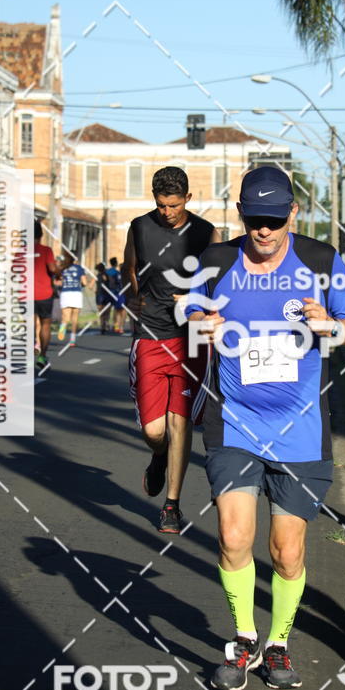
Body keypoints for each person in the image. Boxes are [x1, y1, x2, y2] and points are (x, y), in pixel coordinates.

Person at [184, 166, 345, 690]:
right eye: (254, 219)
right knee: (234, 535)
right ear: (240, 214)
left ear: (292, 211)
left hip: (301, 430)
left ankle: (278, 644)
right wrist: (202, 324)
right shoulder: (217, 262)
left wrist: (331, 326)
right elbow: (189, 311)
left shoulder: (321, 261)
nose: (263, 230)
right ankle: (242, 641)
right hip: (233, 422)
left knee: (287, 551)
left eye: (273, 218)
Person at [123, 166, 220, 534]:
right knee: (153, 429)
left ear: (188, 199)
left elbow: (218, 278)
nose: (167, 212)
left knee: (179, 421)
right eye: (162, 205)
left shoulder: (205, 233)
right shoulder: (139, 226)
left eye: (174, 205)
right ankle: (158, 455)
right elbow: (129, 268)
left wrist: (197, 297)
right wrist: (133, 296)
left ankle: (172, 505)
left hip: (188, 338)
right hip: (149, 335)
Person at [34, 220, 66, 368]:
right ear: (41, 235)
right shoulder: (46, 250)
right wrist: (59, 273)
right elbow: (53, 268)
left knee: (29, 324)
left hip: (25, 294)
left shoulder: (21, 251)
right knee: (45, 325)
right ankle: (42, 357)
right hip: (44, 294)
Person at [56, 251, 87, 346]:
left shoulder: (62, 268)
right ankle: (72, 340)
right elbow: (84, 282)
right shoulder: (79, 268)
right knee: (75, 318)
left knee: (65, 316)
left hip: (65, 293)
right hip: (76, 293)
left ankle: (63, 326)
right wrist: (80, 284)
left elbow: (58, 282)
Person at [106, 256, 126, 333]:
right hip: (118, 293)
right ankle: (120, 327)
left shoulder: (107, 272)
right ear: (116, 263)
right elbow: (120, 283)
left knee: (111, 310)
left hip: (108, 292)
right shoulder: (117, 273)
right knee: (121, 310)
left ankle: (110, 325)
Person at [95, 263, 110, 333]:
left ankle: (102, 325)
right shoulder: (106, 275)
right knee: (106, 311)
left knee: (101, 311)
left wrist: (95, 290)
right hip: (105, 294)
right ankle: (105, 323)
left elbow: (91, 285)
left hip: (99, 295)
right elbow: (109, 283)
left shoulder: (97, 276)